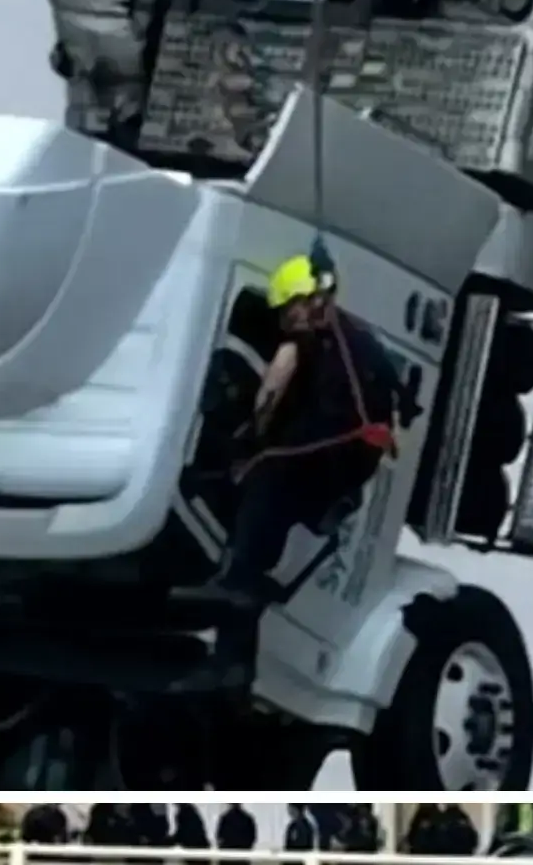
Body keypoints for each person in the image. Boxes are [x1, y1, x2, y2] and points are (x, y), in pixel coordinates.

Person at [172, 253, 401, 677]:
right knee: (277, 483)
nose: (285, 320)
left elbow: (270, 395)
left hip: (332, 445)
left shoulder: (303, 341)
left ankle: (239, 581)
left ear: (305, 300)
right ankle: (244, 600)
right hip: (357, 453)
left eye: (287, 309)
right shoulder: (358, 338)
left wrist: (250, 440)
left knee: (264, 481)